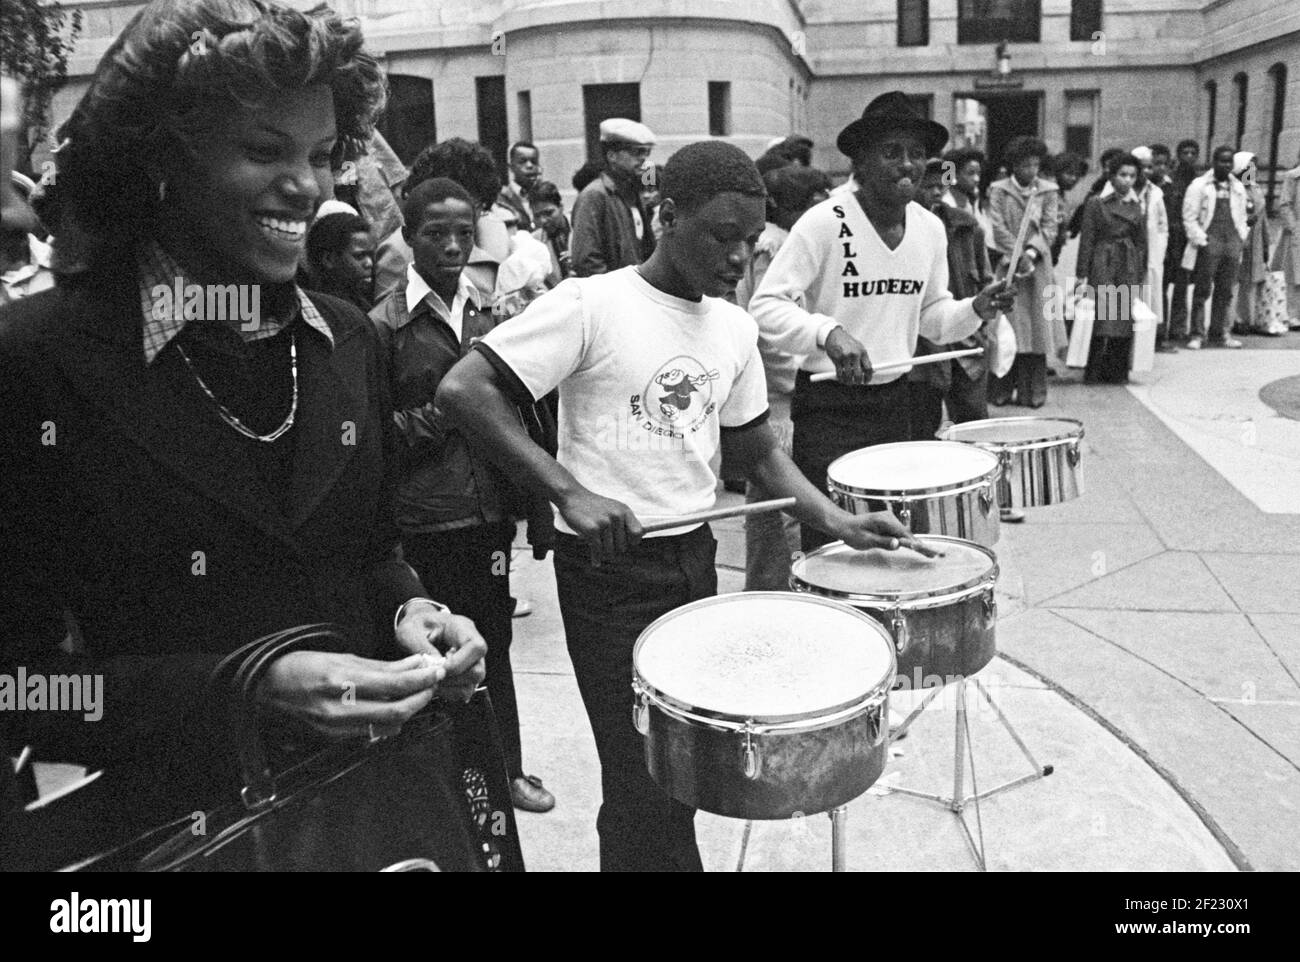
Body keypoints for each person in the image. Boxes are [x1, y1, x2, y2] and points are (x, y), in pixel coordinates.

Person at [0, 0, 487, 857]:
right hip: (180, 836)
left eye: (323, 153)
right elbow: (22, 691)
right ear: (158, 157)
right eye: (264, 150)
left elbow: (372, 550)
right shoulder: (36, 359)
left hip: (374, 816)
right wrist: (246, 688)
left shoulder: (348, 339)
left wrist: (416, 609)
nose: (309, 185)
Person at [436, 140, 928, 872]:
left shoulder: (734, 328)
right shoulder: (592, 303)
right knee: (638, 777)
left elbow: (757, 449)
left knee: (685, 772)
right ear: (666, 217)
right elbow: (464, 390)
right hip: (606, 572)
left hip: (692, 564)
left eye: (752, 244)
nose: (739, 260)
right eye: (722, 237)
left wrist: (838, 521)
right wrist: (570, 491)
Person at [750, 91, 1016, 551]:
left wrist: (976, 309)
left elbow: (932, 319)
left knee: (889, 540)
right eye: (892, 153)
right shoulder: (823, 222)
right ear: (862, 163)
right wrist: (827, 332)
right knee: (831, 545)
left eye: (916, 154)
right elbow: (766, 306)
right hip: (829, 407)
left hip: (898, 403)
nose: (908, 165)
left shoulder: (930, 228)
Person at [369, 177, 555, 814]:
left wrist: (538, 505)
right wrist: (453, 410)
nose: (451, 245)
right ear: (408, 236)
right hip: (426, 520)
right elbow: (376, 437)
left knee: (492, 645)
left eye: (462, 233)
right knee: (430, 655)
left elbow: (526, 415)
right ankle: (444, 785)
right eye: (434, 233)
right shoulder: (384, 326)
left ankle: (508, 772)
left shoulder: (493, 316)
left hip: (490, 517)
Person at [736, 163, 831, 591]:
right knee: (780, 514)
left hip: (781, 398)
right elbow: (768, 332)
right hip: (778, 400)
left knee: (777, 507)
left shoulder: (783, 241)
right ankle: (771, 594)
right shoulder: (773, 245)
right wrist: (791, 384)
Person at [910, 158, 994, 440]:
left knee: (973, 420)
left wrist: (983, 323)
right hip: (923, 343)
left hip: (966, 335)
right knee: (923, 421)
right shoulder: (903, 228)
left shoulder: (967, 226)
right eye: (927, 186)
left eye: (940, 186)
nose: (935, 192)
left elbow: (984, 276)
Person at [374, 137, 508, 303]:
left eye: (478, 205)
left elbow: (494, 305)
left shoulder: (489, 233)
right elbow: (390, 321)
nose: (474, 215)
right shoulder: (399, 251)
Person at [987, 135, 1061, 408]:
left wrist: (1030, 253)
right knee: (1007, 327)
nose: (1031, 171)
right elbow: (997, 228)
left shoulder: (1048, 190)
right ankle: (1000, 391)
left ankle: (1034, 393)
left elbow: (1050, 228)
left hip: (1038, 267)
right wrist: (1018, 258)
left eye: (1035, 165)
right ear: (1013, 166)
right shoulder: (998, 190)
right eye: (1025, 165)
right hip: (1009, 268)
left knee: (1037, 331)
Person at [1076, 152, 1148, 383]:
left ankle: (1117, 369)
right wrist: (1081, 274)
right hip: (1103, 260)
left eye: (1132, 176)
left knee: (1123, 316)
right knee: (1101, 314)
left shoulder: (1137, 204)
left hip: (1128, 263)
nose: (1127, 180)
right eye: (1122, 175)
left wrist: (1140, 273)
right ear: (1111, 175)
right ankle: (1094, 368)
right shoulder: (1096, 202)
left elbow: (1141, 241)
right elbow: (1087, 239)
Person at [570, 118, 656, 276]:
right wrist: (614, 294)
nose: (643, 158)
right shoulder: (594, 195)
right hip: (613, 295)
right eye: (636, 152)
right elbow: (586, 260)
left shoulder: (633, 193)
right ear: (612, 156)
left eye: (646, 152)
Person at [1182, 145, 1247, 350]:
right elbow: (1189, 217)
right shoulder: (1199, 185)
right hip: (1210, 241)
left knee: (1226, 290)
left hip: (1232, 241)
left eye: (1229, 161)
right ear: (1213, 162)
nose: (1226, 165)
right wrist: (1202, 240)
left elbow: (1243, 215)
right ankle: (1197, 334)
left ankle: (1219, 333)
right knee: (1202, 290)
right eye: (1222, 161)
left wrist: (1241, 236)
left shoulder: (1238, 187)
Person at [1129, 146, 1170, 354]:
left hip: (1150, 250)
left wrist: (1159, 246)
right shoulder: (1121, 189)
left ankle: (1149, 339)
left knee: (1150, 293)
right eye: (1141, 167)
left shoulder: (1155, 192)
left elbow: (1163, 224)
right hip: (1128, 249)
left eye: (1149, 167)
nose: (1145, 172)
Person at [1232, 151, 1278, 336]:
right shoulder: (1235, 188)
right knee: (1235, 281)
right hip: (1240, 240)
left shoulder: (1257, 189)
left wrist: (1267, 244)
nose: (1254, 170)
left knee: (1251, 282)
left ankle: (1248, 319)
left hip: (1256, 241)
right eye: (1250, 166)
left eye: (1255, 167)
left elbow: (1264, 218)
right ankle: (1234, 319)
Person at [1164, 139, 1201, 341]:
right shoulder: (1170, 180)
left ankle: (1178, 329)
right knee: (1161, 284)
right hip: (1171, 237)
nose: (1188, 156)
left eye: (1192, 153)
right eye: (1184, 152)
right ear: (1178, 155)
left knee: (1182, 284)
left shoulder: (1200, 181)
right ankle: (1160, 328)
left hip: (1190, 239)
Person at [304, 206, 375, 311]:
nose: (369, 263)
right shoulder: (325, 310)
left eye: (371, 254)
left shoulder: (359, 297)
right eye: (359, 256)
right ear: (329, 259)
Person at [941, 147, 996, 269]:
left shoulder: (972, 203)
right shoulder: (945, 203)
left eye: (978, 174)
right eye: (970, 173)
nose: (976, 179)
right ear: (953, 174)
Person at [1272, 146, 1300, 328]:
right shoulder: (1292, 176)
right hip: (1297, 231)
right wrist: (1294, 227)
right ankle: (1292, 314)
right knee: (1294, 275)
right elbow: (1284, 204)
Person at [1046, 152, 1088, 265]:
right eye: (1069, 173)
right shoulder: (1049, 193)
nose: (1073, 178)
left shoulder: (1060, 193)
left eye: (1077, 175)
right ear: (1057, 172)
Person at [529, 179, 571, 283]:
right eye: (537, 216)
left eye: (548, 213)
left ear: (561, 207)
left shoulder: (581, 226)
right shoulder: (533, 242)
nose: (543, 221)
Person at [497, 141, 541, 232]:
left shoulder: (543, 195)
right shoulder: (500, 199)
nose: (529, 166)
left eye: (534, 162)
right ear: (511, 167)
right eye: (522, 161)